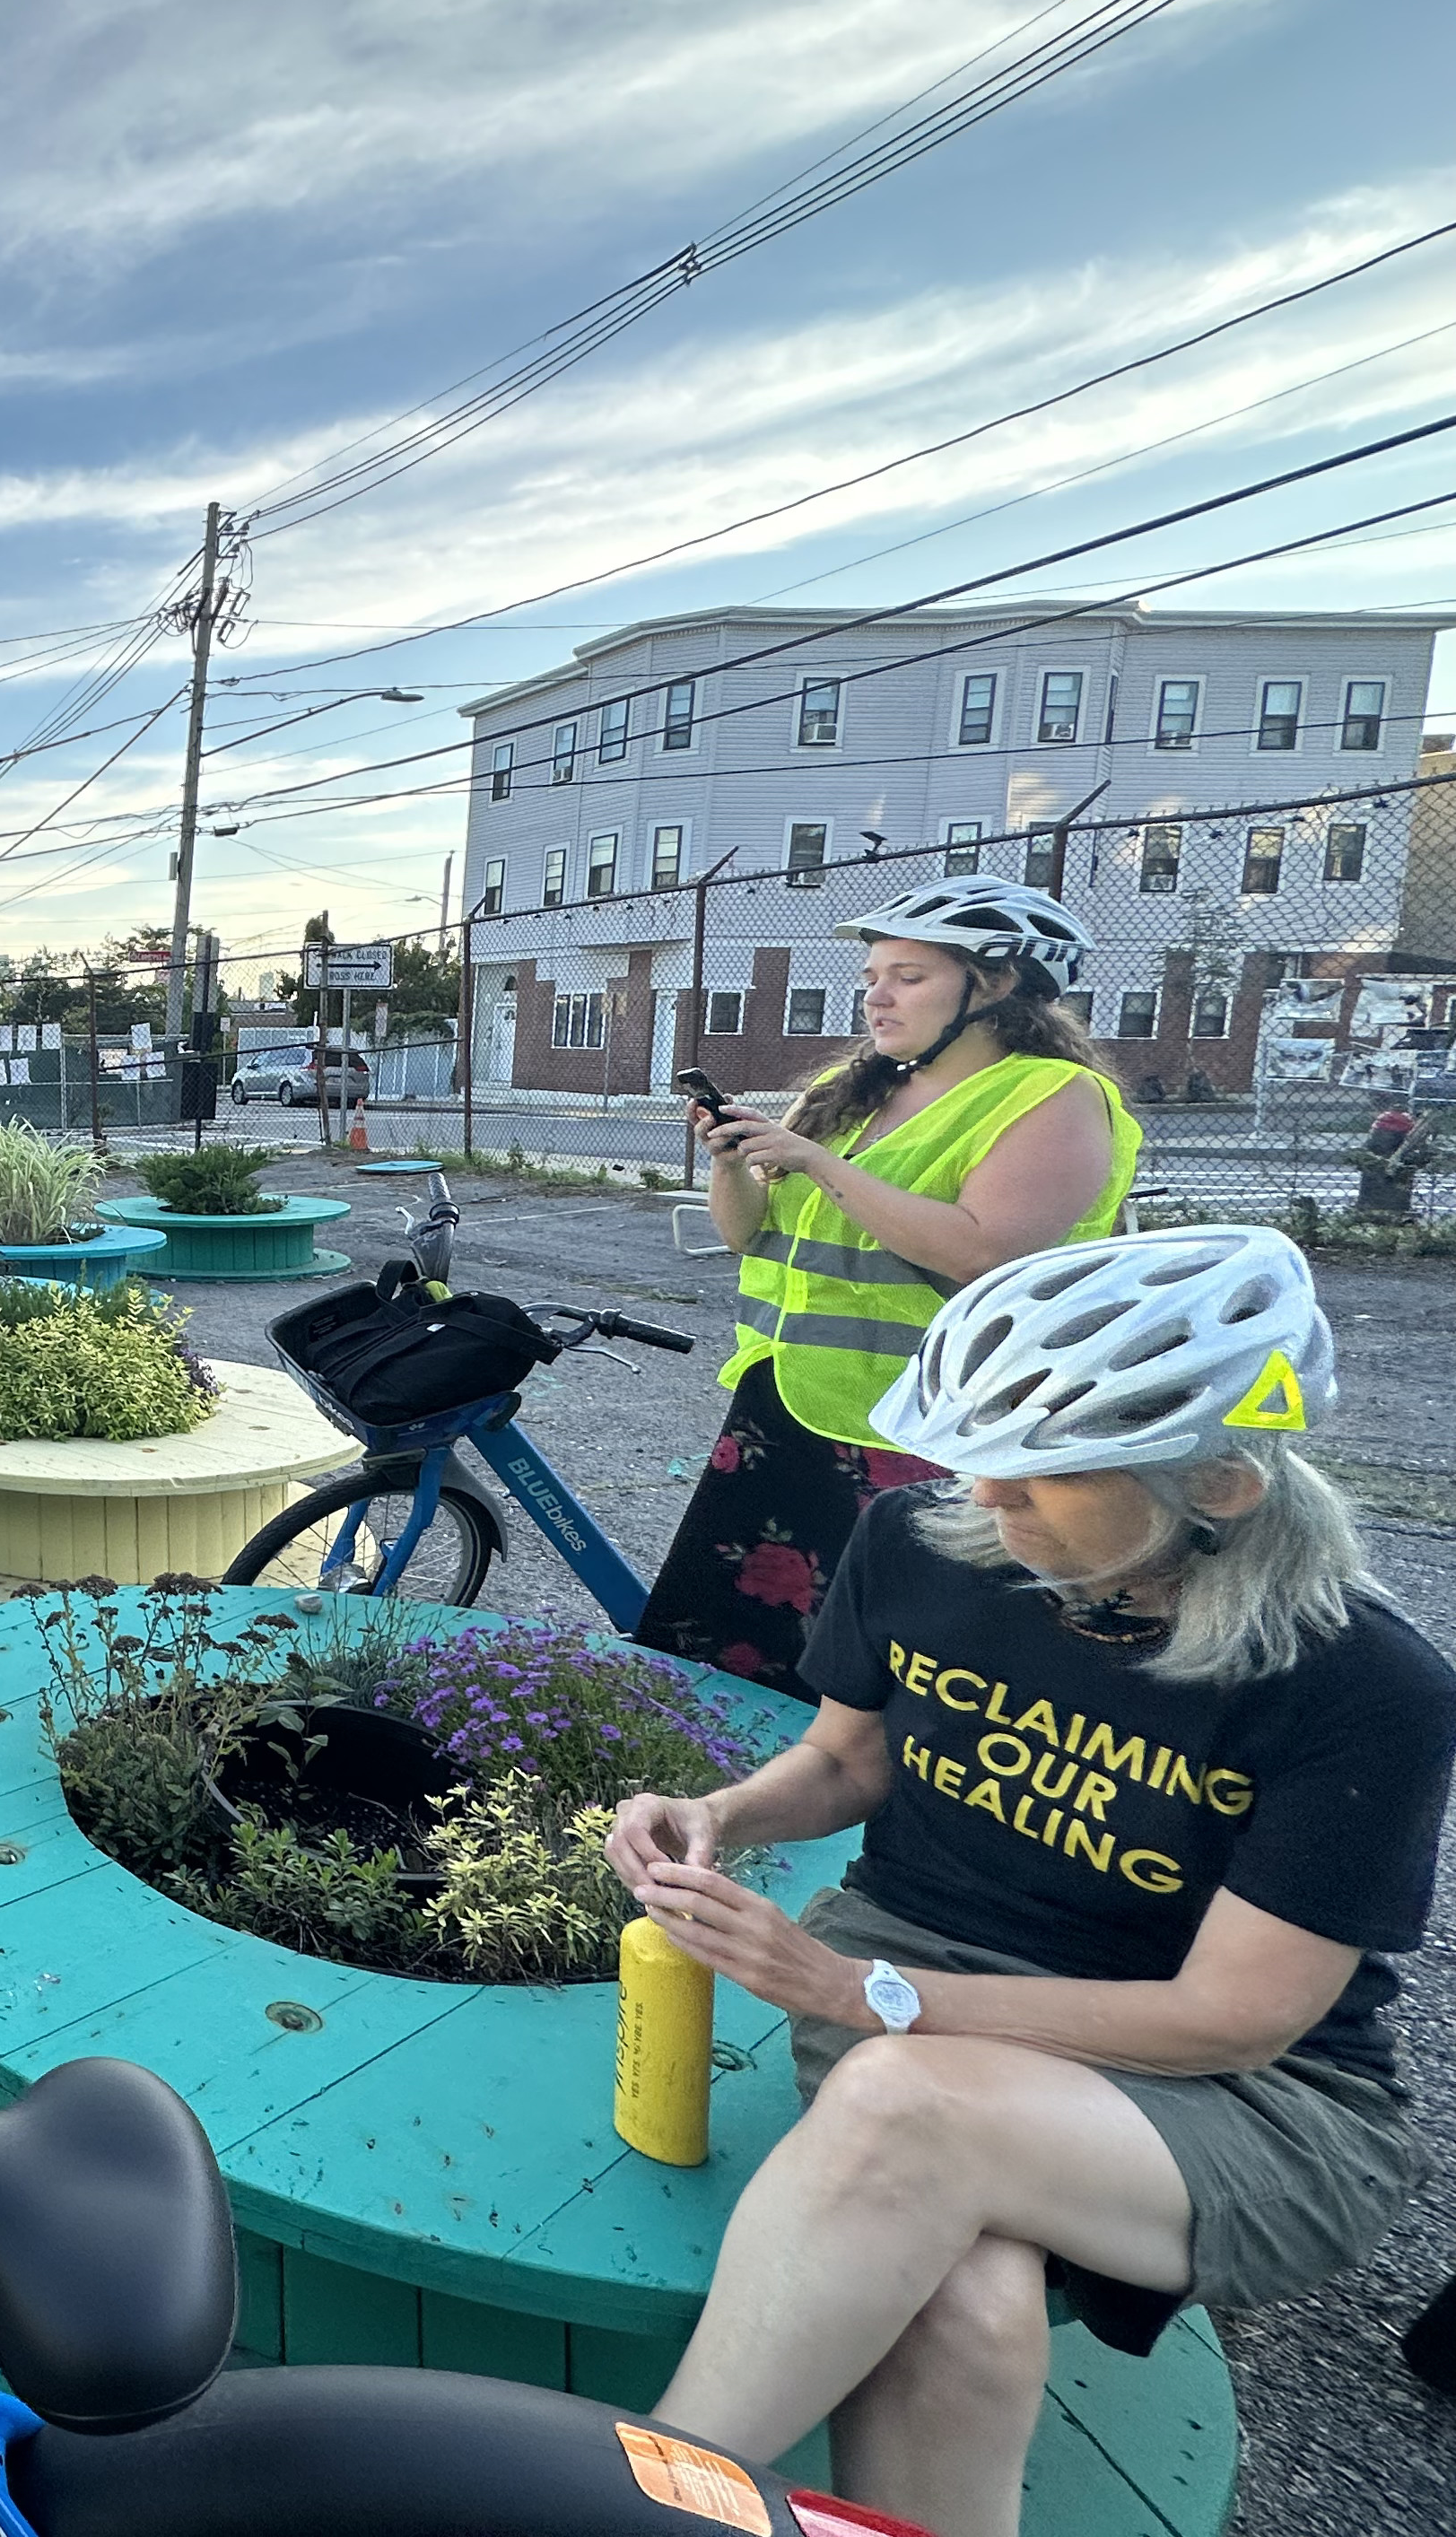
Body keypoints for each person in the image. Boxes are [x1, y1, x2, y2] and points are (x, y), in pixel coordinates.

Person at [607, 1226, 1456, 2537]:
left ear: (1220, 1486)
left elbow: (1240, 2019)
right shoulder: (922, 1538)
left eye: (1041, 1478)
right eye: (975, 1458)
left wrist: (858, 1988)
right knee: (967, 2304)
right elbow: (845, 1763)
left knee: (903, 2109)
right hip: (928, 1992)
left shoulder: (1364, 1685)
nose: (981, 1499)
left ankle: (640, 2496)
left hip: (1238, 2095)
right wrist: (717, 1809)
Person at [637, 881, 1139, 1694]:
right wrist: (734, 1162)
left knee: (875, 1677)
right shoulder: (851, 1089)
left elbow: (984, 1253)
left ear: (998, 985)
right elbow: (747, 1235)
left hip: (929, 1426)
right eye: (874, 974)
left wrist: (819, 1163)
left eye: (909, 975)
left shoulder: (1055, 1098)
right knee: (738, 1657)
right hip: (789, 1404)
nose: (877, 993)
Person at [1351, 1103, 1436, 1217]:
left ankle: (1371, 1208)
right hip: (1397, 1201)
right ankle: (1391, 1211)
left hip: (1370, 1200)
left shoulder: (1378, 1139)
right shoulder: (1406, 1146)